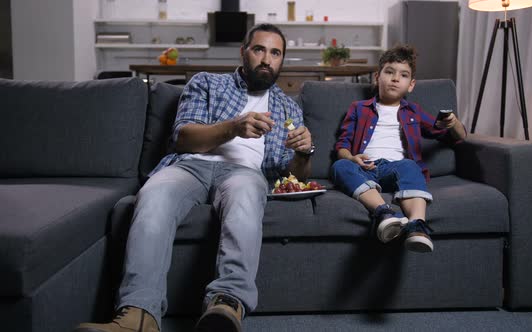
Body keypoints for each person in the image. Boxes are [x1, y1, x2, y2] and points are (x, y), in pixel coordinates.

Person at [74, 24, 314, 332]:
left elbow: (292, 174)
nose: (266, 59)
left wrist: (304, 153)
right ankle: (139, 316)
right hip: (190, 165)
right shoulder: (208, 83)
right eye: (259, 49)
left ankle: (226, 306)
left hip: (244, 173)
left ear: (282, 60)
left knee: (246, 197)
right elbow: (183, 138)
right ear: (243, 52)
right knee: (153, 196)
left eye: (275, 52)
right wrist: (234, 127)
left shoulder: (287, 107)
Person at [331, 44, 466, 253]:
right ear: (377, 76)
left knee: (410, 166)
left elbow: (453, 137)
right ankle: (384, 213)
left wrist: (453, 122)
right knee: (340, 166)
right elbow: (342, 145)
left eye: (403, 75)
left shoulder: (414, 111)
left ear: (411, 85)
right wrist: (351, 158)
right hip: (365, 167)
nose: (395, 78)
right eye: (389, 72)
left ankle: (417, 227)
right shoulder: (358, 108)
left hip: (396, 168)